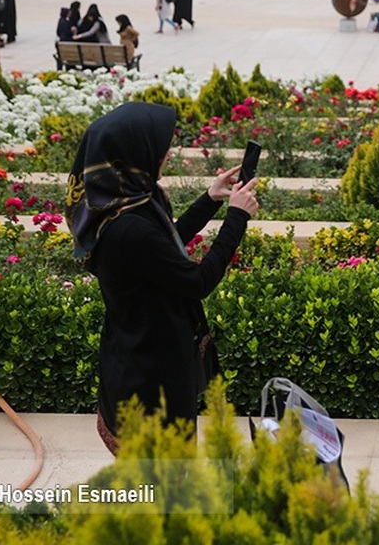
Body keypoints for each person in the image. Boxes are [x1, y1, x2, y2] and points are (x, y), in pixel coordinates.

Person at [64, 102, 259, 453]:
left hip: (137, 352)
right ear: (135, 153)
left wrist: (211, 199)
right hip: (150, 377)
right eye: (159, 145)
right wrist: (237, 218)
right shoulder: (130, 227)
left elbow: (164, 247)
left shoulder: (124, 201)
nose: (166, 152)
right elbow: (198, 280)